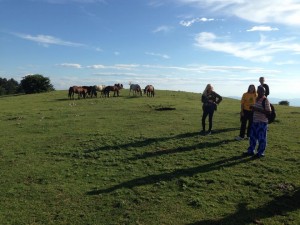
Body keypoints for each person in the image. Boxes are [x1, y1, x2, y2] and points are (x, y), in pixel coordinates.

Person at [244, 86, 271, 158]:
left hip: (262, 122)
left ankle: (260, 153)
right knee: (252, 137)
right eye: (258, 91)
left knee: (261, 138)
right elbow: (257, 108)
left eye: (260, 91)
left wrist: (256, 109)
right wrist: (253, 108)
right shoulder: (256, 98)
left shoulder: (265, 100)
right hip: (255, 121)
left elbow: (268, 112)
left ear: (263, 92)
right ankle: (251, 151)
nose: (258, 92)